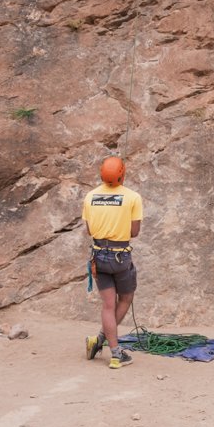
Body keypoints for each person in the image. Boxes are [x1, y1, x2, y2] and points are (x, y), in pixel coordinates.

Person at [82, 156, 143, 369]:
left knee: (108, 305)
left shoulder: (90, 196)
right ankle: (113, 352)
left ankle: (105, 344)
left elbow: (90, 230)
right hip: (120, 256)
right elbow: (134, 232)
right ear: (123, 173)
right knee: (125, 299)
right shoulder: (133, 197)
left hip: (99, 255)